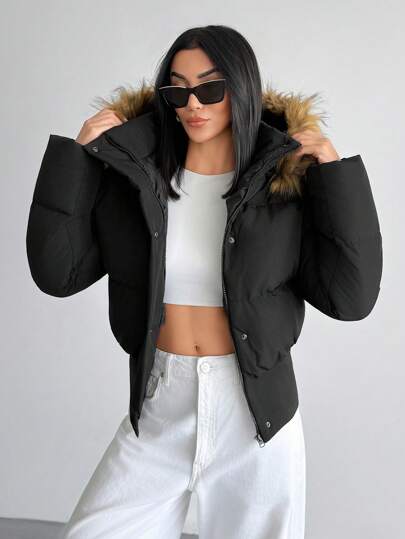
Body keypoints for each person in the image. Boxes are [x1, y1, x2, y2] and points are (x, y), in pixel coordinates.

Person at [26, 24, 383, 539]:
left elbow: (352, 298)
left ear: (242, 87)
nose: (193, 103)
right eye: (178, 91)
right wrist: (74, 161)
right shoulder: (135, 179)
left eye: (210, 88)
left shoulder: (282, 184)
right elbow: (57, 274)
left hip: (255, 418)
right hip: (159, 403)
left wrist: (335, 175)